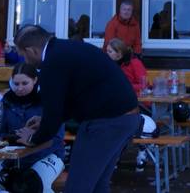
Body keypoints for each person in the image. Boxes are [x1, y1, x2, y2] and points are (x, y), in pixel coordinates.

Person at [12, 25, 140, 193]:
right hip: (127, 117)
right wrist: (45, 121)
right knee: (97, 185)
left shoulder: (52, 63)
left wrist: (33, 139)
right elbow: (76, 98)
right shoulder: (66, 49)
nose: (25, 61)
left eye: (23, 55)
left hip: (105, 122)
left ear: (31, 50)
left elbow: (53, 114)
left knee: (77, 187)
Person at [0, 63, 66, 192]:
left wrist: (30, 147)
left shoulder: (48, 100)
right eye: (16, 84)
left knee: (36, 183)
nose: (20, 88)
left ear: (35, 80)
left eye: (25, 83)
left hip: (48, 154)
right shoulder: (7, 101)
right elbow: (2, 132)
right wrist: (13, 138)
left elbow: (57, 138)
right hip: (16, 154)